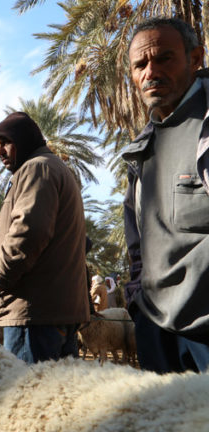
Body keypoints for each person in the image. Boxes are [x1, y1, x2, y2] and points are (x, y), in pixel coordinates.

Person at [123, 17, 209, 373]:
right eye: (140, 65)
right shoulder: (142, 148)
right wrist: (136, 302)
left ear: (196, 58)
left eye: (164, 59)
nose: (151, 72)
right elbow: (138, 242)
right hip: (156, 329)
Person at [0, 111, 88, 364]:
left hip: (34, 313)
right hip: (53, 312)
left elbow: (29, 232)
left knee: (27, 396)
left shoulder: (37, 168)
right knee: (58, 400)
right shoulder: (51, 168)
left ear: (24, 140)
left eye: (5, 143)